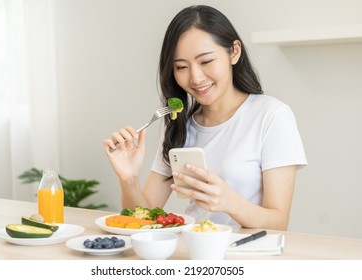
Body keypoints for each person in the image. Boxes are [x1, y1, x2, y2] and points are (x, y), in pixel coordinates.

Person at [103, 5, 307, 230]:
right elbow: (143, 222)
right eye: (181, 67)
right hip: (195, 253)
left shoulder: (272, 116)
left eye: (206, 61)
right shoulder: (178, 125)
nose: (196, 77)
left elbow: (278, 223)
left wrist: (230, 202)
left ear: (234, 52)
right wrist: (129, 179)